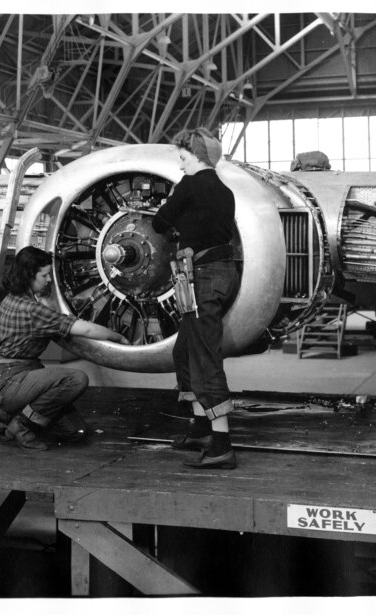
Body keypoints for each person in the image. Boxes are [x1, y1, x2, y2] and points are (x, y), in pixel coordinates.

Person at [152, 127, 240, 470]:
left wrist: (171, 212)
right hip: (216, 273)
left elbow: (159, 223)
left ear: (198, 156)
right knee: (185, 350)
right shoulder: (224, 190)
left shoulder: (190, 185)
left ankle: (222, 444)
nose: (179, 161)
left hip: (202, 277)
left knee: (204, 356)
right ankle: (202, 427)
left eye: (183, 156)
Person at [0, 246, 129, 451]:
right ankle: (21, 424)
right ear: (29, 276)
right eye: (44, 275)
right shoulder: (32, 309)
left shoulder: (12, 298)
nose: (48, 280)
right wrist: (118, 337)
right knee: (76, 379)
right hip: (13, 381)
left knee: (75, 431)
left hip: (12, 376)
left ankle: (5, 415)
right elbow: (87, 331)